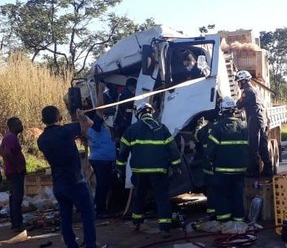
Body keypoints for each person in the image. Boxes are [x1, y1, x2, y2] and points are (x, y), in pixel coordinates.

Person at [37, 106, 112, 248]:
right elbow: (90, 124)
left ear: (43, 120)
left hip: (58, 183)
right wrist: (81, 116)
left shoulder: (41, 139)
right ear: (60, 118)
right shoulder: (65, 131)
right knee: (88, 214)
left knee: (65, 217)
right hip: (75, 181)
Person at [116, 102, 182, 238]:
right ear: (151, 113)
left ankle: (136, 223)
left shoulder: (131, 130)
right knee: (162, 198)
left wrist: (120, 169)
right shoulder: (162, 129)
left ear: (139, 113)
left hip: (139, 171)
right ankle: (164, 229)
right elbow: (173, 149)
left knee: (139, 196)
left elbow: (122, 152)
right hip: (159, 171)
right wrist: (176, 167)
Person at [206, 96, 249, 227]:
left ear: (223, 111)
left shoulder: (218, 127)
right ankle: (239, 221)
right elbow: (248, 148)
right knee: (237, 195)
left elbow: (211, 151)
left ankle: (224, 222)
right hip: (240, 171)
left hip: (222, 171)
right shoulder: (243, 127)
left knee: (221, 195)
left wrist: (209, 163)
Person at [234, 70, 273, 178]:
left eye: (239, 82)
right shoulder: (256, 90)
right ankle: (268, 170)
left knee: (253, 146)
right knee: (262, 147)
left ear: (243, 81)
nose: (238, 84)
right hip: (262, 120)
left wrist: (231, 105)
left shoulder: (247, 92)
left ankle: (254, 172)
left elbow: (239, 105)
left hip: (254, 121)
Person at [86, 107, 117, 218]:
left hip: (99, 159)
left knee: (104, 185)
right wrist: (100, 89)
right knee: (103, 186)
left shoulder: (93, 128)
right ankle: (100, 210)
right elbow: (99, 110)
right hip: (102, 160)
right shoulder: (96, 127)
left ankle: (99, 207)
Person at [193, 107, 220, 220]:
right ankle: (222, 211)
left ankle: (211, 212)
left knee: (211, 189)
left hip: (207, 165)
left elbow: (196, 138)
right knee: (221, 189)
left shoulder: (203, 130)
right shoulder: (220, 128)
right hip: (219, 164)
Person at [0, 117, 26, 232]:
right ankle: (17, 224)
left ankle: (15, 222)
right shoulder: (10, 137)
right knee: (17, 197)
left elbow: (2, 152)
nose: (22, 125)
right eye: (19, 124)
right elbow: (6, 153)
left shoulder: (8, 137)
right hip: (15, 172)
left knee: (13, 197)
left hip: (12, 171)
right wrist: (18, 166)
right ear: (13, 125)